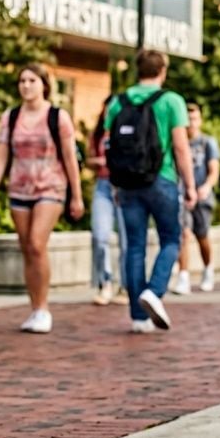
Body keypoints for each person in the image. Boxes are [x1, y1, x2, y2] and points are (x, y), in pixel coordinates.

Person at [0, 64, 84, 333]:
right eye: (22, 81)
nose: (26, 85)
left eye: (32, 80)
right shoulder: (11, 116)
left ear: (44, 84)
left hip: (50, 188)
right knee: (27, 248)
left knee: (37, 243)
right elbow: (2, 155)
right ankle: (34, 307)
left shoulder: (57, 116)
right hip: (19, 188)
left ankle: (43, 309)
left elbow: (69, 156)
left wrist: (77, 195)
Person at [104, 49, 197, 333]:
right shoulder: (171, 101)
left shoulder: (117, 102)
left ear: (137, 69)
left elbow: (110, 147)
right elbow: (181, 146)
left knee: (134, 247)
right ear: (163, 70)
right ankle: (154, 292)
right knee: (172, 239)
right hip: (162, 179)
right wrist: (191, 185)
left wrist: (115, 183)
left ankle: (138, 317)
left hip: (128, 184)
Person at [172, 103, 220, 295]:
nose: (191, 123)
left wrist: (207, 187)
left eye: (195, 118)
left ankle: (208, 269)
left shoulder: (208, 143)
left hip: (202, 196)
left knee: (202, 236)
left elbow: (214, 170)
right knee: (183, 234)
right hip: (181, 195)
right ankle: (183, 276)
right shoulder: (177, 142)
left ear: (200, 120)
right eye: (188, 119)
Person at [87, 98, 128, 305]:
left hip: (124, 187)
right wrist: (101, 162)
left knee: (126, 241)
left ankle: (126, 286)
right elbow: (89, 159)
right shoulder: (97, 135)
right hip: (103, 185)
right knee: (99, 235)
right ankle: (105, 283)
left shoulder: (127, 130)